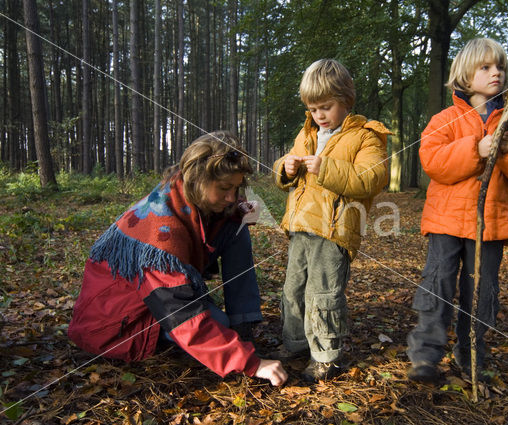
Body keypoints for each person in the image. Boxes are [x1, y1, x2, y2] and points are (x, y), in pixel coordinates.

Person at [68, 132, 288, 386]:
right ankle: (230, 334)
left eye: (236, 187)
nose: (232, 196)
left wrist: (240, 209)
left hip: (149, 303)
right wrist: (250, 362)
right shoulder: (160, 236)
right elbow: (181, 314)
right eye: (225, 188)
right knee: (218, 323)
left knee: (237, 222)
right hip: (114, 326)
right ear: (197, 180)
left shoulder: (183, 191)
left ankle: (243, 324)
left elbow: (231, 211)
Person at [406, 38, 508, 383]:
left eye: (500, 66)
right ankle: (426, 357)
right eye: (485, 67)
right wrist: (477, 147)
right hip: (446, 221)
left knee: (482, 291)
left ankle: (472, 355)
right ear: (464, 75)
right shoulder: (445, 119)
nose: (496, 73)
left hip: (492, 224)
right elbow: (433, 162)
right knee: (437, 284)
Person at [273, 59, 390, 382]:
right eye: (313, 109)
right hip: (301, 226)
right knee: (293, 289)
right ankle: (295, 342)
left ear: (346, 101)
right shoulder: (307, 133)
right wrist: (286, 167)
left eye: (326, 107)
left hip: (334, 229)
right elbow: (285, 168)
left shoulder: (366, 136)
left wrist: (324, 168)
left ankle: (326, 355)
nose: (319, 115)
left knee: (322, 293)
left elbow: (371, 177)